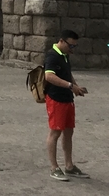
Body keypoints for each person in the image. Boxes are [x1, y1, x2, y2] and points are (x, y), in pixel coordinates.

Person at [43, 29, 89, 181]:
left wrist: (75, 87)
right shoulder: (52, 55)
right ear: (61, 41)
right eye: (71, 46)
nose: (72, 49)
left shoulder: (64, 55)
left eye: (75, 46)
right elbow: (49, 76)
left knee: (69, 131)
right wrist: (70, 86)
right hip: (56, 99)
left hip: (67, 98)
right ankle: (54, 167)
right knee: (55, 132)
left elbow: (67, 73)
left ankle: (69, 165)